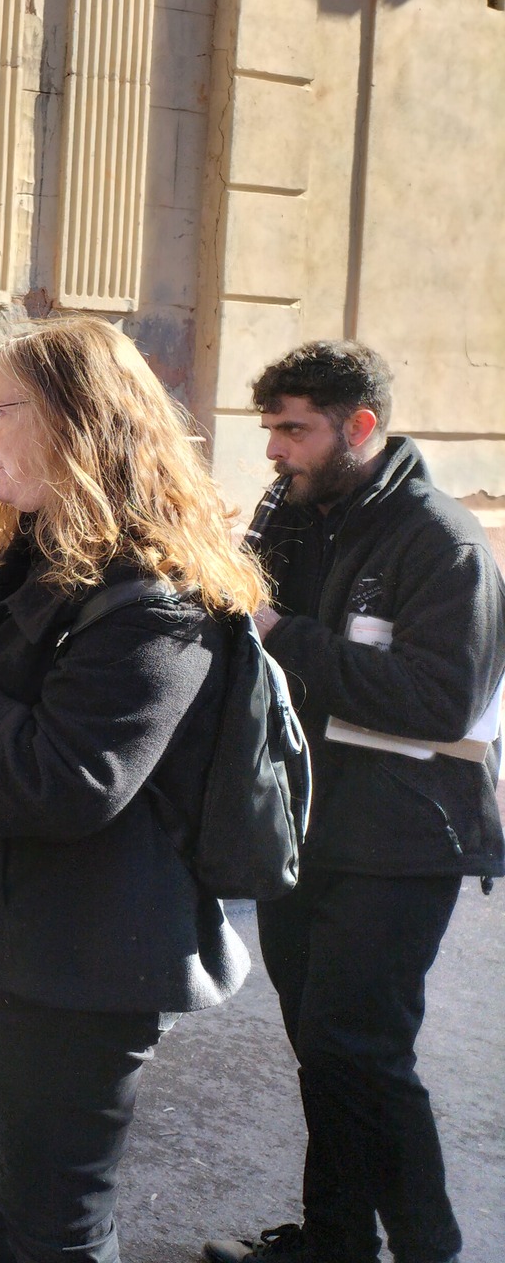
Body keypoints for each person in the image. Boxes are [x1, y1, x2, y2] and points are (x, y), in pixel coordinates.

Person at [0, 316, 265, 1263]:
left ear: (79, 420)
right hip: (0, 919)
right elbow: (4, 722)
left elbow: (69, 781)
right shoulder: (34, 558)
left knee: (58, 1216)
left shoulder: (157, 597)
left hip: (90, 952)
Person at [203, 342, 504, 1263]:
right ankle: (335, 1240)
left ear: (360, 427)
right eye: (271, 429)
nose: (274, 451)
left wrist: (278, 632)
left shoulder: (442, 541)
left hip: (405, 838)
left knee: (361, 1052)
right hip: (305, 825)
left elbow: (440, 700)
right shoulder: (299, 517)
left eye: (294, 431)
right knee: (324, 1048)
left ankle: (428, 1247)